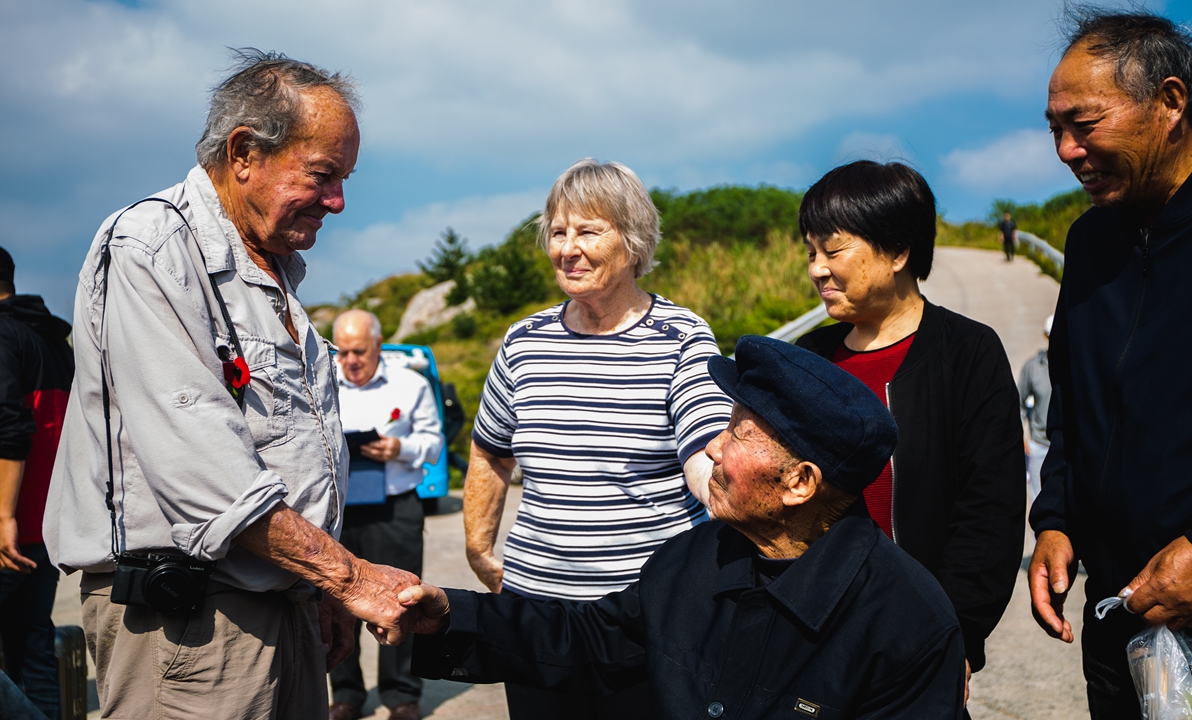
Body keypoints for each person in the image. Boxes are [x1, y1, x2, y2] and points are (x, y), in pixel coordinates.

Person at [44, 50, 421, 719]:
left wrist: (316, 592)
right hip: (191, 627)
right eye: (324, 175)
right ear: (245, 152)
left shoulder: (274, 270)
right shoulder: (152, 246)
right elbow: (204, 466)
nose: (338, 201)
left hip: (279, 603)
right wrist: (350, 578)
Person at [404, 336, 966, 719]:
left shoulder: (907, 624)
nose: (714, 448)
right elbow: (587, 640)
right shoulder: (692, 558)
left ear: (799, 482)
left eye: (740, 435)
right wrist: (448, 615)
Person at [463, 158, 732, 719]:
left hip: (648, 614)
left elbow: (705, 443)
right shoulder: (524, 340)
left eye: (587, 230)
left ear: (633, 242)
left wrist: (725, 493)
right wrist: (479, 549)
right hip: (537, 611)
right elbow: (491, 450)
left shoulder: (680, 335)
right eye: (558, 232)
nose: (567, 247)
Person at [793, 160, 1026, 708]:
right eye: (810, 253)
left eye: (833, 250)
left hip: (914, 634)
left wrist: (956, 634)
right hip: (807, 633)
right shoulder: (808, 358)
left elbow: (989, 512)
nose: (817, 270)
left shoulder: (967, 353)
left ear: (898, 253)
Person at [1030, 9, 1192, 717]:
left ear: (1169, 103)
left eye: (1085, 123)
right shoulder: (1092, 240)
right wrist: (1058, 519)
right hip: (1120, 619)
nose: (1067, 150)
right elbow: (1070, 400)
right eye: (1055, 131)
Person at [329, 309, 443, 720]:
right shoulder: (323, 383)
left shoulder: (410, 384)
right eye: (342, 352)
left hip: (396, 507)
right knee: (336, 600)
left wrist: (400, 449)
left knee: (402, 600)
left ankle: (401, 696)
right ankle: (346, 694)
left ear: (378, 345)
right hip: (339, 511)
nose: (350, 361)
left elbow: (433, 442)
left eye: (359, 351)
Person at [0, 246, 73, 720]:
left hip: (7, 527)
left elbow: (10, 428)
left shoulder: (3, 336)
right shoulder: (50, 339)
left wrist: (3, 514)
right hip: (49, 522)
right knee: (34, 648)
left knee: (31, 647)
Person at [1017, 314, 1053, 501]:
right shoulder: (1032, 368)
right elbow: (1018, 404)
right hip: (1038, 445)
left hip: (1067, 447)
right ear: (1046, 336)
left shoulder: (1075, 367)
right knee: (1040, 502)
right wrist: (1022, 438)